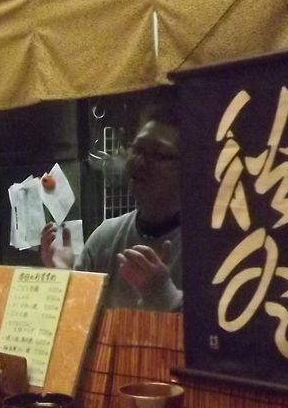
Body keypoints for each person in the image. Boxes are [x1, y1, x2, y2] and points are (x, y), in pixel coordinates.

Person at [40, 88, 183, 311]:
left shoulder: (208, 244)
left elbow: (224, 325)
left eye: (157, 154)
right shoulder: (105, 238)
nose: (139, 162)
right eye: (137, 149)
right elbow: (78, 317)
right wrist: (64, 275)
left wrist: (164, 295)